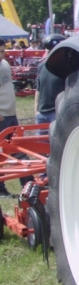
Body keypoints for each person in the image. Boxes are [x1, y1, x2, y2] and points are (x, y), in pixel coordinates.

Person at [0, 39, 19, 196]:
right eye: (0, 52)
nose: (2, 54)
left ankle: (28, 184)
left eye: (3, 51)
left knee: (19, 149)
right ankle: (1, 189)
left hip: (11, 115)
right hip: (2, 116)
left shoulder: (5, 64)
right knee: (1, 154)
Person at [34, 34, 67, 126]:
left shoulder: (66, 68)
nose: (48, 53)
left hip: (57, 113)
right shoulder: (41, 66)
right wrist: (36, 111)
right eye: (48, 51)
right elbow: (38, 90)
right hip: (42, 114)